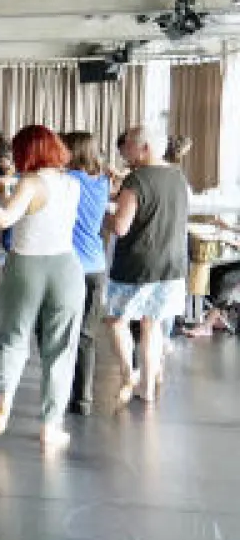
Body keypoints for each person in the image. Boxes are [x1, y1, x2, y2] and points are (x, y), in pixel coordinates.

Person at [0, 125, 83, 449]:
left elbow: (6, 219)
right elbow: (36, 213)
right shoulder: (72, 183)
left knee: (13, 340)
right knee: (60, 350)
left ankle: (4, 400)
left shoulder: (29, 182)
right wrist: (5, 195)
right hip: (66, 268)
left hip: (26, 266)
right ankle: (51, 426)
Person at [105, 126, 190, 405]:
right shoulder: (178, 177)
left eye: (128, 145)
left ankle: (129, 373)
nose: (125, 150)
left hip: (137, 265)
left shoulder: (137, 180)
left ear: (145, 149)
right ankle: (148, 388)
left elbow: (120, 226)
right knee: (151, 326)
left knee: (116, 320)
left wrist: (101, 216)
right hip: (172, 264)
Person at [63, 132, 111, 415]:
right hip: (96, 265)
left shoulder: (69, 180)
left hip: (70, 266)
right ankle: (83, 399)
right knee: (86, 336)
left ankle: (59, 393)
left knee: (59, 333)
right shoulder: (102, 181)